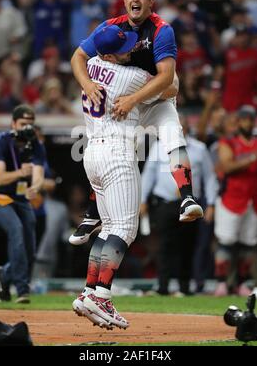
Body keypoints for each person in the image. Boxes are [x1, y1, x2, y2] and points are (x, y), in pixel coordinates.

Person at [69, 0, 203, 245]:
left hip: (154, 95)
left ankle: (186, 195)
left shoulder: (161, 29)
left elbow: (168, 81)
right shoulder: (111, 28)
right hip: (125, 93)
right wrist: (87, 83)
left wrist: (132, 99)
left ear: (151, 1)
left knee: (172, 131)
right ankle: (94, 211)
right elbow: (77, 56)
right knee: (113, 150)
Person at [72, 24, 175, 330]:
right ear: (110, 55)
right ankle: (102, 296)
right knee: (126, 228)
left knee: (107, 228)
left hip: (92, 152)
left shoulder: (90, 65)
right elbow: (169, 87)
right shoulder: (130, 76)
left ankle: (90, 291)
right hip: (116, 151)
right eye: (124, 47)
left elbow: (80, 55)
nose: (131, 47)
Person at [141, 114, 218, 295]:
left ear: (186, 128)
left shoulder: (199, 149)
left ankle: (185, 287)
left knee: (187, 245)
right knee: (164, 246)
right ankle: (163, 287)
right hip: (165, 203)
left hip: (190, 204)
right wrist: (142, 199)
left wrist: (212, 204)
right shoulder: (159, 147)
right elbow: (148, 175)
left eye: (181, 126)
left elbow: (210, 178)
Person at [0, 105, 46, 303]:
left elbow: (39, 175)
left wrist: (35, 187)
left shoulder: (36, 144)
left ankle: (5, 274)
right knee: (16, 228)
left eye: (31, 124)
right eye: (23, 124)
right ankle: (22, 289)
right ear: (13, 123)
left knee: (30, 246)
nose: (27, 128)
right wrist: (21, 173)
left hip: (20, 197)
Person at [214, 105, 257, 296]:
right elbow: (227, 167)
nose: (248, 123)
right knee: (226, 242)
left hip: (252, 200)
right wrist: (256, 156)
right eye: (245, 119)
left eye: (251, 119)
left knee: (247, 244)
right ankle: (222, 282)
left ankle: (242, 283)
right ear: (238, 122)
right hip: (231, 198)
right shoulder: (228, 142)